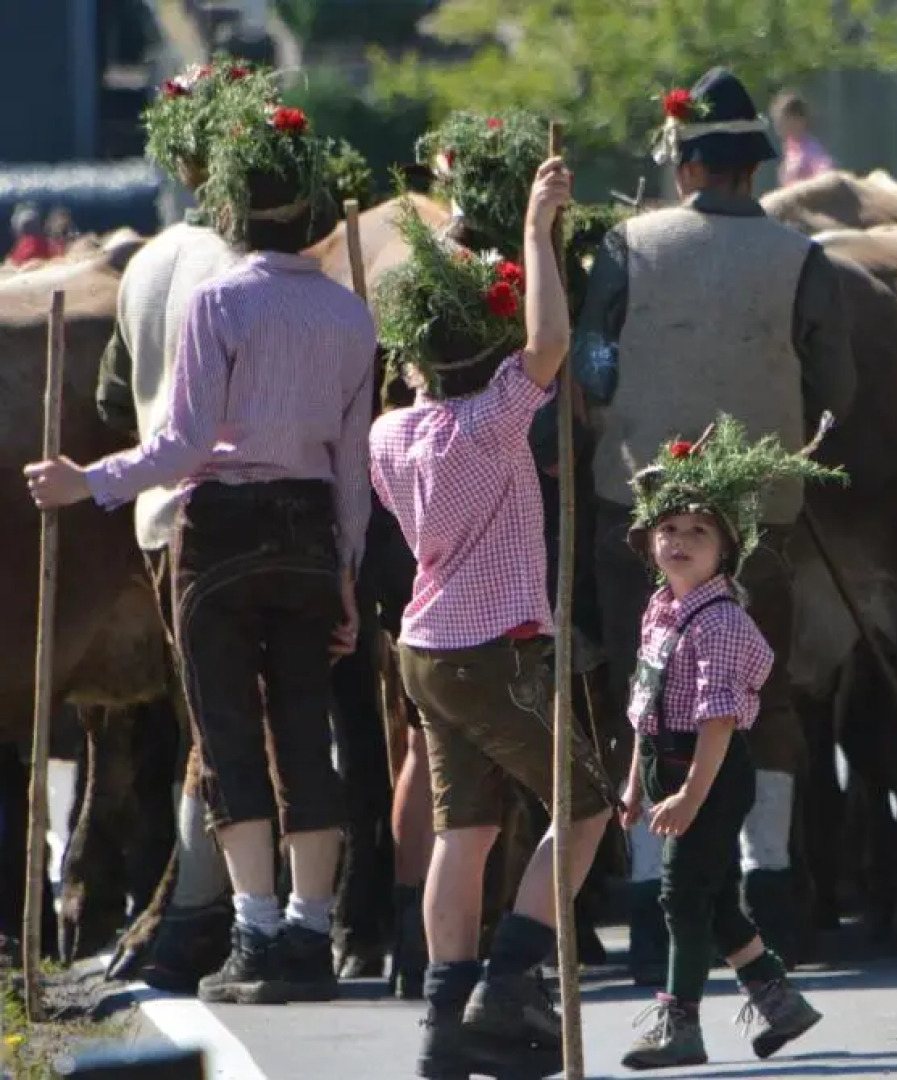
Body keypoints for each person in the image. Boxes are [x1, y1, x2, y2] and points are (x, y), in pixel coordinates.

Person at [25, 102, 378, 1004]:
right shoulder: (348, 316)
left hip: (218, 530)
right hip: (309, 528)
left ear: (230, 210)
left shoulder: (216, 301)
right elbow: (351, 464)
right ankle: (310, 930)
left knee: (227, 738)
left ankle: (255, 933)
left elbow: (179, 447)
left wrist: (86, 482)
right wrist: (343, 569)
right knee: (306, 731)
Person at [570, 64, 856, 985]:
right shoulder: (800, 258)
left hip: (639, 518)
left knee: (649, 702)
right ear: (754, 169)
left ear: (684, 165)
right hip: (759, 521)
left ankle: (657, 913)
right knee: (757, 702)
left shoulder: (625, 245)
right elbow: (836, 394)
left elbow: (594, 368)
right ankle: (769, 889)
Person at [368, 160, 615, 1079]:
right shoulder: (495, 422)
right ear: (487, 348)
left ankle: (442, 1026)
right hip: (499, 647)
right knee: (588, 810)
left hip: (425, 648)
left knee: (462, 834)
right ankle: (510, 976)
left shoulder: (388, 434)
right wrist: (537, 230)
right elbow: (549, 339)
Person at [94, 60, 278, 994]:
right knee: (229, 728)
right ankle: (208, 913)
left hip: (162, 519)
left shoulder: (151, 259)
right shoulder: (250, 268)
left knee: (207, 719)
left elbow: (110, 396)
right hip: (248, 510)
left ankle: (213, 904)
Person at [617, 415, 842, 1070]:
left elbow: (717, 720)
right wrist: (636, 784)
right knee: (709, 895)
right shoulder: (659, 609)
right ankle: (779, 1002)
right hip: (667, 764)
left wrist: (691, 793)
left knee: (680, 897)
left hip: (709, 770)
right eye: (668, 530)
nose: (679, 541)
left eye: (697, 532)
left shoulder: (720, 622)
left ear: (724, 549)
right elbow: (643, 708)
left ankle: (679, 1024)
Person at [770, 90, 835, 187]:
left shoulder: (810, 147)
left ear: (798, 120)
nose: (778, 126)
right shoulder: (790, 148)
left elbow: (826, 173)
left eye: (783, 120)